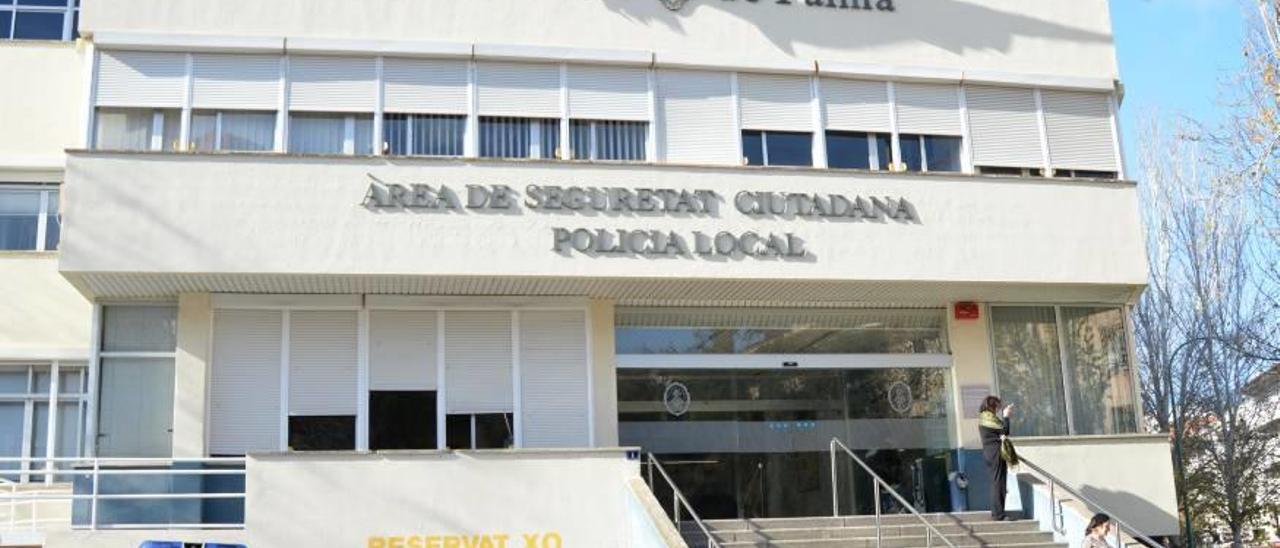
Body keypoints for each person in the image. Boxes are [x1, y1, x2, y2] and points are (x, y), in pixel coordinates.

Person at [978, 395, 1014, 520]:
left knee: (998, 482)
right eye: (997, 407)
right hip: (995, 453)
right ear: (991, 406)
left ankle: (998, 512)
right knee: (998, 483)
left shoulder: (985, 418)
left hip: (990, 453)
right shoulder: (988, 419)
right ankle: (998, 514)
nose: (997, 410)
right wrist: (1006, 416)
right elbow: (1005, 430)